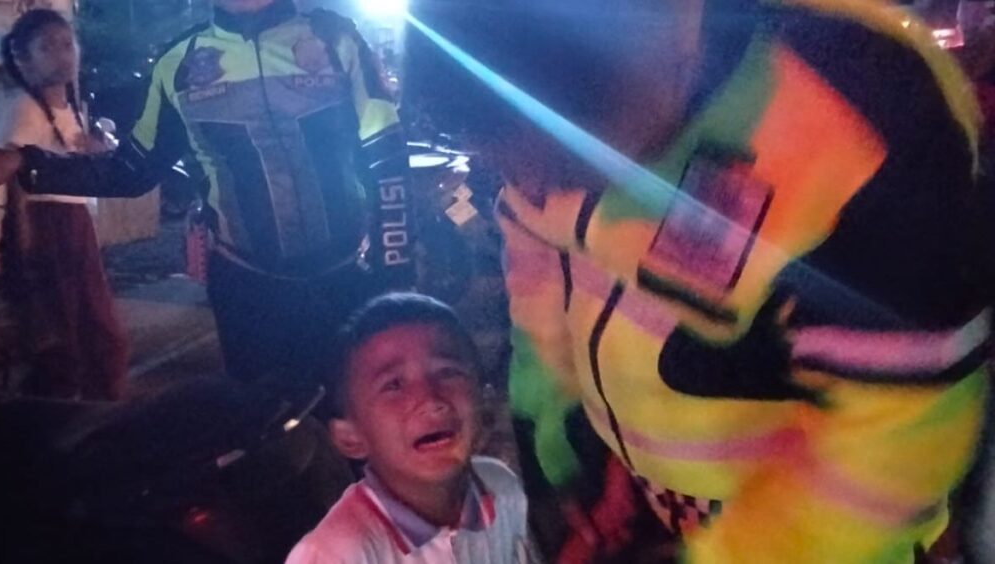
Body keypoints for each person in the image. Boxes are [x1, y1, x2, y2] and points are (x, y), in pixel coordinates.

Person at [403, 0, 993, 562]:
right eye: (501, 167)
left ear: (639, 59)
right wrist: (567, 447)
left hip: (811, 529)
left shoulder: (857, 105)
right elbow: (539, 269)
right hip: (650, 495)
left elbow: (894, 437)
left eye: (555, 166)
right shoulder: (539, 94)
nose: (528, 191)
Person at [0, 0, 412, 389]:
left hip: (344, 280)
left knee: (358, 421)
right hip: (247, 290)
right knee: (263, 432)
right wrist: (24, 163)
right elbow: (131, 170)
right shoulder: (179, 64)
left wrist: (396, 280)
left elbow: (387, 159)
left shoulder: (335, 40)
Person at [285, 293, 530, 563]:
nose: (430, 400)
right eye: (393, 385)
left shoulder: (500, 487)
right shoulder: (335, 554)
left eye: (447, 372)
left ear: (484, 401)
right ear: (350, 438)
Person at [0, 8, 127, 401]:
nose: (62, 54)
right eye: (48, 47)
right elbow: (14, 180)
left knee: (91, 325)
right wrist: (24, 242)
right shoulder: (24, 109)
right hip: (47, 223)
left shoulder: (71, 107)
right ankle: (70, 412)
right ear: (23, 59)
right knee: (67, 329)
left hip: (75, 223)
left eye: (67, 44)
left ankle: (92, 405)